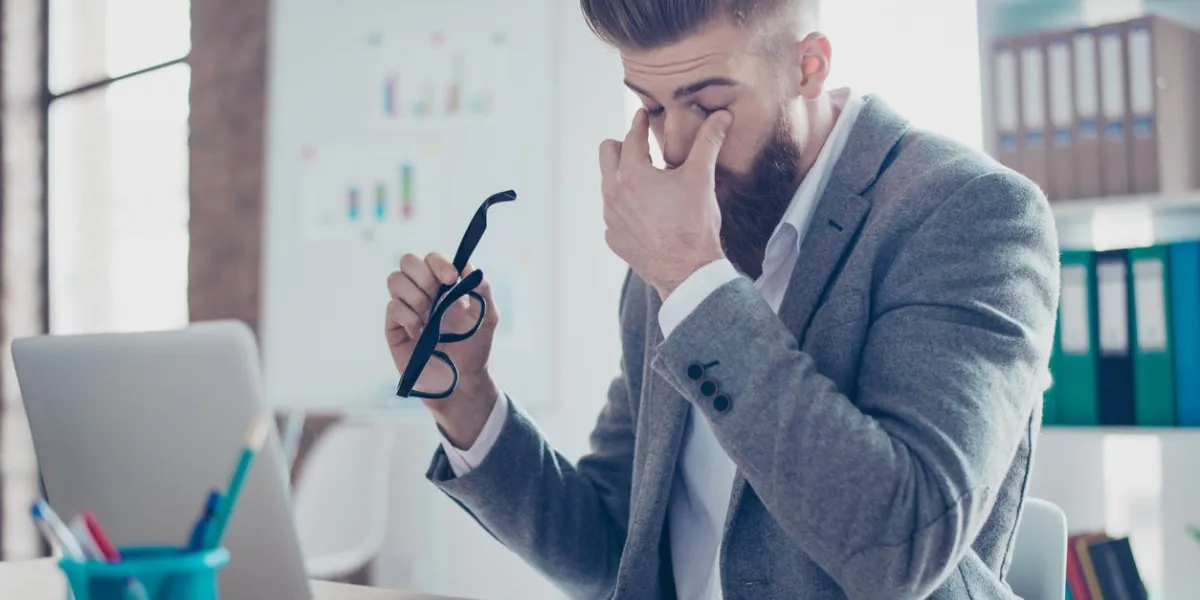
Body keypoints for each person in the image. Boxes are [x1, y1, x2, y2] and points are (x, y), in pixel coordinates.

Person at [383, 0, 1060, 598]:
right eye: (650, 107)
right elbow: (619, 555)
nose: (674, 146)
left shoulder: (969, 214)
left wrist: (692, 280)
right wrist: (467, 398)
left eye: (708, 106)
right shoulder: (679, 248)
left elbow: (900, 549)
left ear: (809, 66)